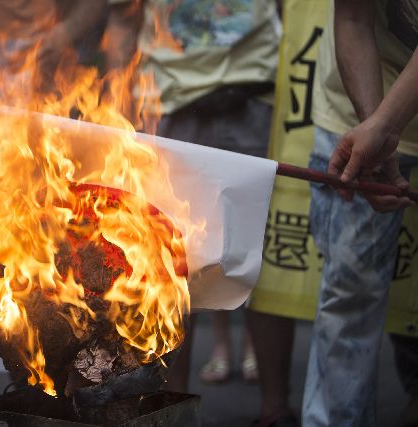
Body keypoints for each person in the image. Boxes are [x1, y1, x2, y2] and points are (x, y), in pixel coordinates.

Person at [103, 0, 280, 392]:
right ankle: (171, 403)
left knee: (263, 253)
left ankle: (275, 408)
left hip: (256, 90)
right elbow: (122, 17)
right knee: (169, 258)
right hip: (168, 99)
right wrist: (119, 110)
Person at [304, 0, 418, 425]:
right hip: (354, 111)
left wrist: (384, 127)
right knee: (350, 294)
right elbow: (352, 16)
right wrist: (377, 130)